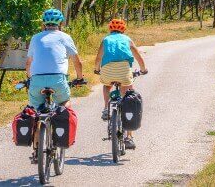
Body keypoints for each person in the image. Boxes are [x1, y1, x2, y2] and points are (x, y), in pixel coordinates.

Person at [94, 18, 147, 150]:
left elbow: (98, 58)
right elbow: (138, 56)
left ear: (110, 29)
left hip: (107, 70)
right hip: (124, 71)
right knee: (129, 95)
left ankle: (106, 108)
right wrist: (143, 69)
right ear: (123, 29)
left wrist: (96, 69)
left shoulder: (105, 40)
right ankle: (129, 137)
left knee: (106, 86)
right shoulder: (127, 39)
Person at [26, 8, 85, 110]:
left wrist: (29, 78)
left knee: (34, 108)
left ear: (43, 23)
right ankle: (63, 122)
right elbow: (77, 62)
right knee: (64, 103)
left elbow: (28, 63)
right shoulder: (65, 37)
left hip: (37, 80)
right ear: (60, 23)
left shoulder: (35, 38)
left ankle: (35, 123)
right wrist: (80, 78)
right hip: (58, 80)